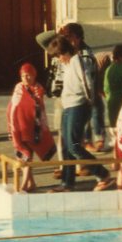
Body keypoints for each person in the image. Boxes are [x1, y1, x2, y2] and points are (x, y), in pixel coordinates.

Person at [47, 34, 112, 192]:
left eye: (59, 55)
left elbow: (87, 82)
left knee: (74, 145)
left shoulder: (77, 61)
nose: (58, 58)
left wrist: (89, 103)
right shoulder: (67, 64)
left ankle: (102, 174)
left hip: (79, 105)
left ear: (65, 52)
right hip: (68, 106)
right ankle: (67, 183)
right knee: (66, 146)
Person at [8, 63, 55, 192]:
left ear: (34, 75)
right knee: (23, 155)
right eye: (23, 76)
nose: (26, 78)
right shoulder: (18, 87)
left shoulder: (38, 88)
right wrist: (12, 126)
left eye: (28, 75)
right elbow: (13, 107)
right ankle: (31, 183)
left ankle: (23, 185)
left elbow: (38, 107)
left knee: (27, 155)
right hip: (19, 126)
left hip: (33, 127)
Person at [102, 43, 122, 146]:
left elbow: (105, 88)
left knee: (115, 133)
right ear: (121, 57)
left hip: (111, 103)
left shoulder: (109, 69)